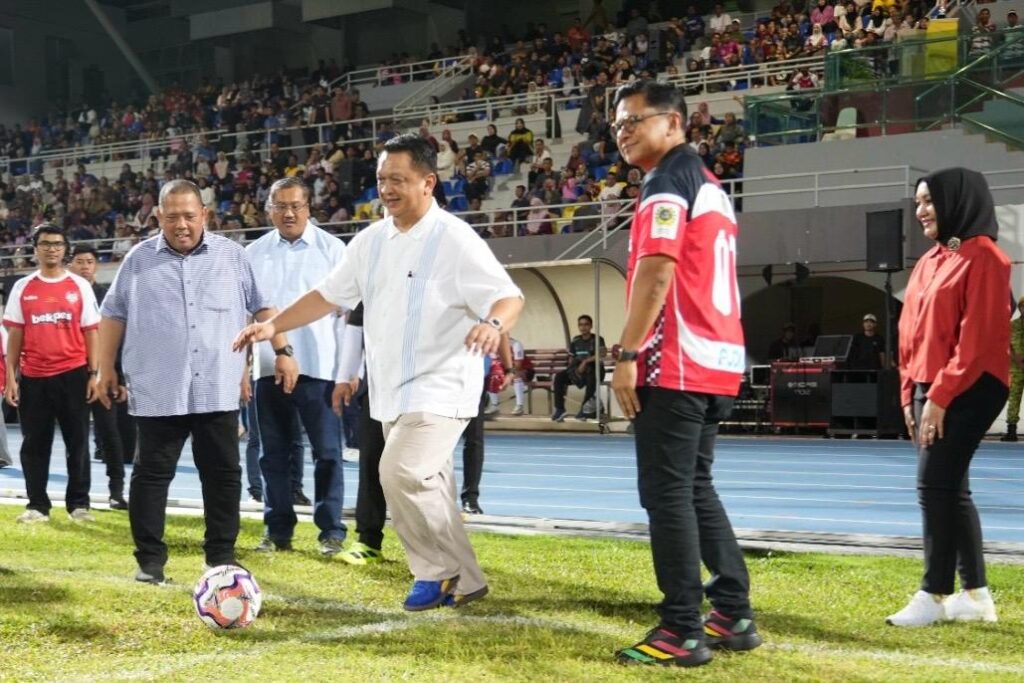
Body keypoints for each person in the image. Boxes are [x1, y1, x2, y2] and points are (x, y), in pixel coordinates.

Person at [232, 134, 524, 611]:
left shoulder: (454, 238)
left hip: (443, 384)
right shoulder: (370, 241)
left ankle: (434, 573)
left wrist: (493, 325)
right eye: (381, 179)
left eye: (398, 180)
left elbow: (509, 296)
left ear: (428, 182)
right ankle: (468, 580)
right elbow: (328, 296)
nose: (386, 189)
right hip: (389, 389)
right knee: (432, 486)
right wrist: (272, 326)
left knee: (400, 470)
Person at [609, 80, 760, 668]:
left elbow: (657, 271)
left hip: (676, 360)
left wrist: (626, 354)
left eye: (634, 120)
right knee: (695, 487)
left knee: (667, 493)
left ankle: (681, 629)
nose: (623, 131)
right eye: (618, 124)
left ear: (673, 123)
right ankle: (732, 612)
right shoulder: (711, 185)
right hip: (717, 359)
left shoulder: (667, 181)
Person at [94, 179, 297, 584]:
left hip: (217, 389)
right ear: (158, 217)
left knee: (222, 475)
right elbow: (113, 314)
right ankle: (150, 562)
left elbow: (264, 308)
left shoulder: (233, 257)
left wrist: (284, 352)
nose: (181, 224)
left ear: (205, 214)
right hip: (158, 390)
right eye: (172, 217)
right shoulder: (137, 260)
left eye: (189, 215)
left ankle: (221, 556)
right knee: (151, 476)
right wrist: (105, 368)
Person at [887, 168, 1010, 627]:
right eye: (917, 202)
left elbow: (976, 341)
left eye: (929, 201)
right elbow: (909, 335)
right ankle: (976, 596)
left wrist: (937, 397)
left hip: (970, 384)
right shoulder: (929, 261)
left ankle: (934, 593)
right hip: (929, 385)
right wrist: (907, 393)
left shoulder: (986, 258)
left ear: (956, 201)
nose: (920, 211)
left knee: (934, 485)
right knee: (950, 487)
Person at [245, 176, 348, 556]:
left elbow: (350, 312)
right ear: (269, 210)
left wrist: (350, 370)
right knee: (272, 453)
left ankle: (331, 531)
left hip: (320, 367)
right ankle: (277, 531)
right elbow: (247, 315)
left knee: (327, 453)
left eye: (296, 206)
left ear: (309, 207)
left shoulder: (334, 250)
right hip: (269, 368)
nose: (288, 213)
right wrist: (244, 371)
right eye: (280, 206)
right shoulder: (253, 254)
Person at [4, 224, 101, 524]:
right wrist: (11, 376)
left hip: (73, 374)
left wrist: (93, 374)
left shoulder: (79, 286)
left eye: (57, 244)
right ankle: (37, 506)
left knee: (78, 443)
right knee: (34, 444)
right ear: (36, 248)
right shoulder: (23, 287)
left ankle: (78, 505)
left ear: (64, 249)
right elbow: (14, 335)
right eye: (45, 243)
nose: (52, 248)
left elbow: (92, 333)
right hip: (33, 377)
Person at [69, 245, 128, 509]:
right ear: (71, 264)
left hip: (105, 374)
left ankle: (117, 491)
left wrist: (119, 375)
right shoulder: (65, 294)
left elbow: (121, 337)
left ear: (96, 266)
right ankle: (81, 497)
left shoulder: (108, 296)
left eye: (89, 262)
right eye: (80, 261)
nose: (85, 266)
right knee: (78, 435)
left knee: (110, 433)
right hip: (73, 375)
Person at [333, 303, 388, 566]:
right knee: (371, 466)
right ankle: (368, 540)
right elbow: (355, 327)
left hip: (425, 391)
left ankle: (435, 544)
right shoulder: (371, 286)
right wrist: (345, 377)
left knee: (421, 472)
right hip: (377, 390)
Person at [551, 315, 606, 422]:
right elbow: (571, 357)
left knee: (592, 375)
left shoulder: (597, 339)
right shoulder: (575, 340)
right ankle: (560, 409)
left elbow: (602, 354)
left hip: (594, 369)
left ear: (591, 326)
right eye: (580, 325)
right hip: (579, 370)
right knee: (559, 377)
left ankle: (585, 409)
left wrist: (585, 362)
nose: (583, 327)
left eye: (586, 324)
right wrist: (575, 369)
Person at [1002, 296, 1024, 442]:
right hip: (1015, 370)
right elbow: (1004, 344)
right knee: (1014, 400)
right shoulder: (1012, 325)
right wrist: (1015, 357)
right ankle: (1011, 430)